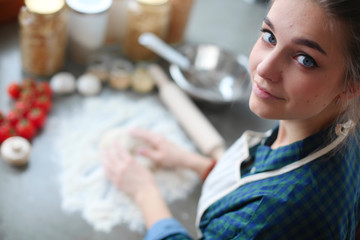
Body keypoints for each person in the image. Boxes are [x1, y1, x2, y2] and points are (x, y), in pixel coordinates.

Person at [102, 0, 360, 239]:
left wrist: (145, 192)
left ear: (351, 85)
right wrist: (196, 163)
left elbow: (263, 213)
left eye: (305, 59)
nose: (264, 68)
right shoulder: (334, 124)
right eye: (269, 36)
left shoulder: (269, 216)